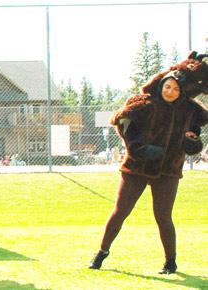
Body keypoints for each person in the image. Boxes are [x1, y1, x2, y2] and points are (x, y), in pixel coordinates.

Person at [88, 70, 207, 274]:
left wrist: (192, 140)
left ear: (182, 92)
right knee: (120, 211)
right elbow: (123, 123)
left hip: (168, 170)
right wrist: (139, 149)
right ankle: (101, 253)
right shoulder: (145, 104)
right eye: (167, 86)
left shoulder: (189, 111)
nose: (170, 91)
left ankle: (170, 262)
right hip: (137, 166)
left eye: (176, 89)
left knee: (163, 216)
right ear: (160, 85)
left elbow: (194, 144)